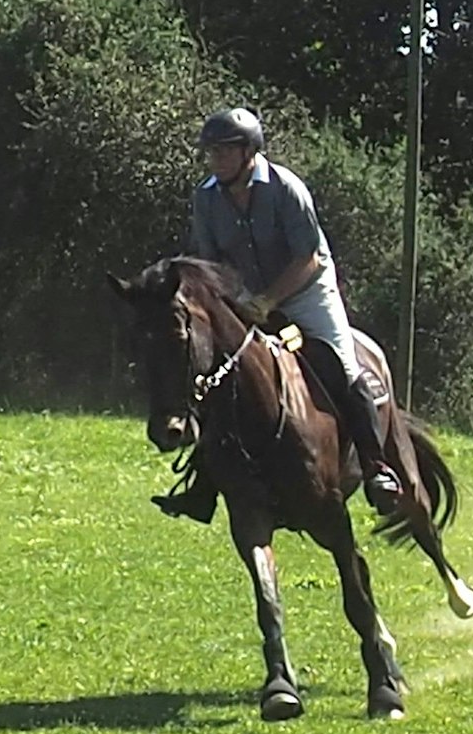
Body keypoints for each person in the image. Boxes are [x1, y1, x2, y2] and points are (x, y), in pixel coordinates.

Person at [150, 107, 403, 524]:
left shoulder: (286, 188)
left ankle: (377, 469)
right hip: (246, 294)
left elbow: (308, 257)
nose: (216, 159)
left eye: (224, 151)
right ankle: (203, 485)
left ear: (250, 150)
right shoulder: (206, 196)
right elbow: (209, 261)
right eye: (211, 152)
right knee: (219, 373)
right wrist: (236, 301)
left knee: (343, 368)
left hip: (305, 290)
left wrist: (269, 302)